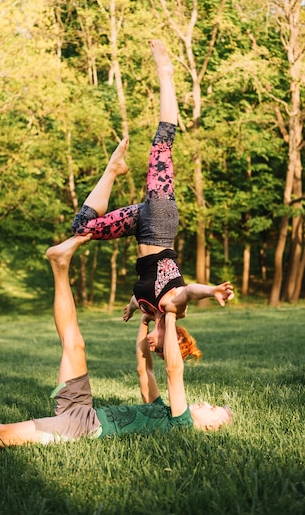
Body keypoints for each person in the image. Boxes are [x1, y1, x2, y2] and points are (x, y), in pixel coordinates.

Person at [0, 234, 232, 454]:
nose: (207, 404)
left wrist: (172, 314)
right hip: (85, 411)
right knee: (73, 342)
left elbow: (174, 372)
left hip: (82, 429)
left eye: (214, 410)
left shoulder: (181, 422)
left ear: (210, 429)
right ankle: (59, 264)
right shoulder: (161, 410)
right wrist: (147, 319)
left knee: (0, 433)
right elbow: (143, 369)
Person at [72, 40, 234, 360]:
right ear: (170, 335)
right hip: (160, 222)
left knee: (82, 228)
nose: (152, 345)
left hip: (140, 225)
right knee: (161, 147)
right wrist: (212, 290)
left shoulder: (149, 309)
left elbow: (138, 297)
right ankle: (166, 74)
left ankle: (113, 170)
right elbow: (189, 291)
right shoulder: (173, 307)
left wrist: (133, 309)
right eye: (159, 345)